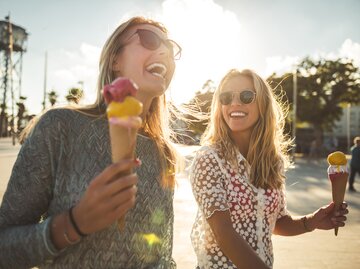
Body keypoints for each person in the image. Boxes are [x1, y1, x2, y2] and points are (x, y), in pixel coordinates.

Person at [0, 16, 182, 268]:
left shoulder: (164, 153)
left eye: (171, 48)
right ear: (115, 59)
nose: (164, 50)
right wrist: (74, 224)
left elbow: (162, 254)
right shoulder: (60, 127)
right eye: (149, 40)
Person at [190, 69, 349, 269]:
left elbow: (277, 222)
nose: (235, 103)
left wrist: (312, 221)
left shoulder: (273, 161)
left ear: (263, 105)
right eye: (226, 97)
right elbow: (224, 233)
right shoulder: (209, 159)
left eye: (246, 96)